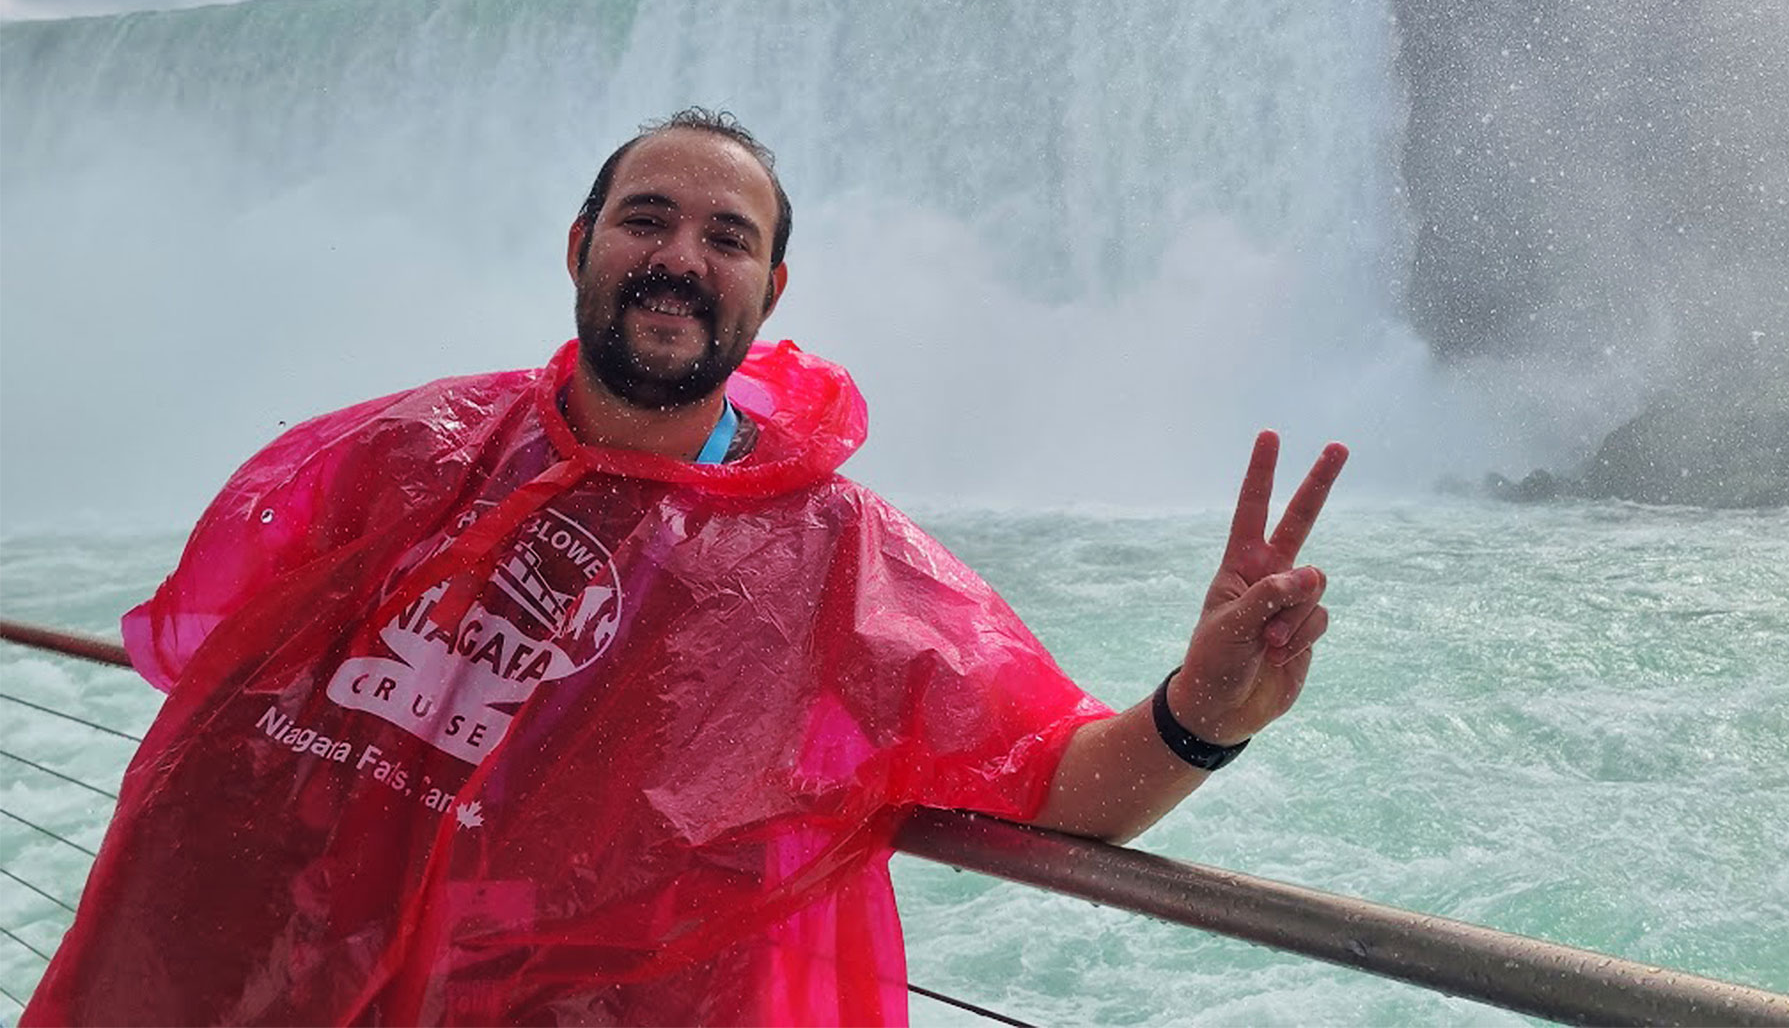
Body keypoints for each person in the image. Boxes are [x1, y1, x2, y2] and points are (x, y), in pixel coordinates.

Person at [24, 109, 1346, 1026]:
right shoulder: (406, 458)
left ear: (771, 292)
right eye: (645, 218)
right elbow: (232, 728)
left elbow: (1050, 782)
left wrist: (1202, 714)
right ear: (579, 246)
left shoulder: (842, 560)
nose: (679, 256)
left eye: (726, 237)